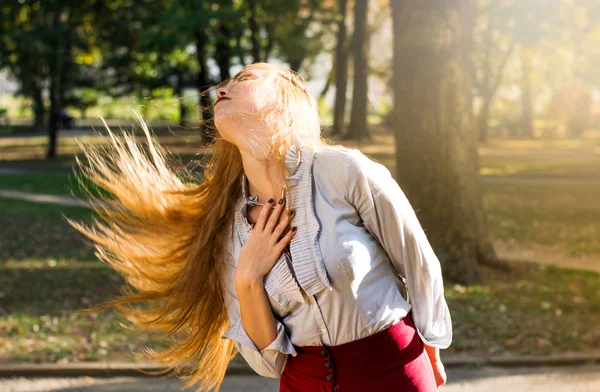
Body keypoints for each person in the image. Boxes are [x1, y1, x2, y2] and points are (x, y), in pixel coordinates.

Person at [68, 62, 452, 392]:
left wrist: (430, 347)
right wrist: (248, 277)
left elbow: (420, 266)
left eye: (245, 78)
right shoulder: (225, 226)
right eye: (226, 83)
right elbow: (270, 362)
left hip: (391, 371)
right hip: (302, 383)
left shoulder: (346, 172)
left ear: (286, 103)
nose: (223, 88)